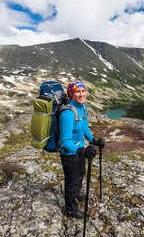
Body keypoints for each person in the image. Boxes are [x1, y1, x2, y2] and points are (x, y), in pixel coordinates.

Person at [59, 80, 104, 219]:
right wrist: (80, 151)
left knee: (81, 173)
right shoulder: (68, 114)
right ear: (71, 94)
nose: (81, 94)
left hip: (79, 150)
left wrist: (92, 140)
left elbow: (84, 126)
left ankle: (77, 193)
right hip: (69, 153)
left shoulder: (82, 107)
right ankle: (71, 209)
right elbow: (65, 141)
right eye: (77, 91)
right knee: (71, 180)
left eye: (83, 91)